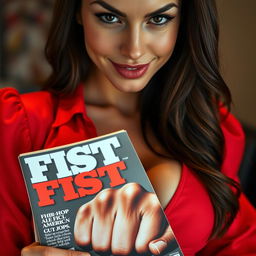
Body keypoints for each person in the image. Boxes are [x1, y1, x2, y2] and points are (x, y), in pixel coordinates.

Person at [0, 0, 255, 255]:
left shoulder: (207, 123)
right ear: (77, 13)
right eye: (109, 18)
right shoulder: (19, 125)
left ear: (184, 21)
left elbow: (239, 243)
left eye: (158, 19)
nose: (134, 49)